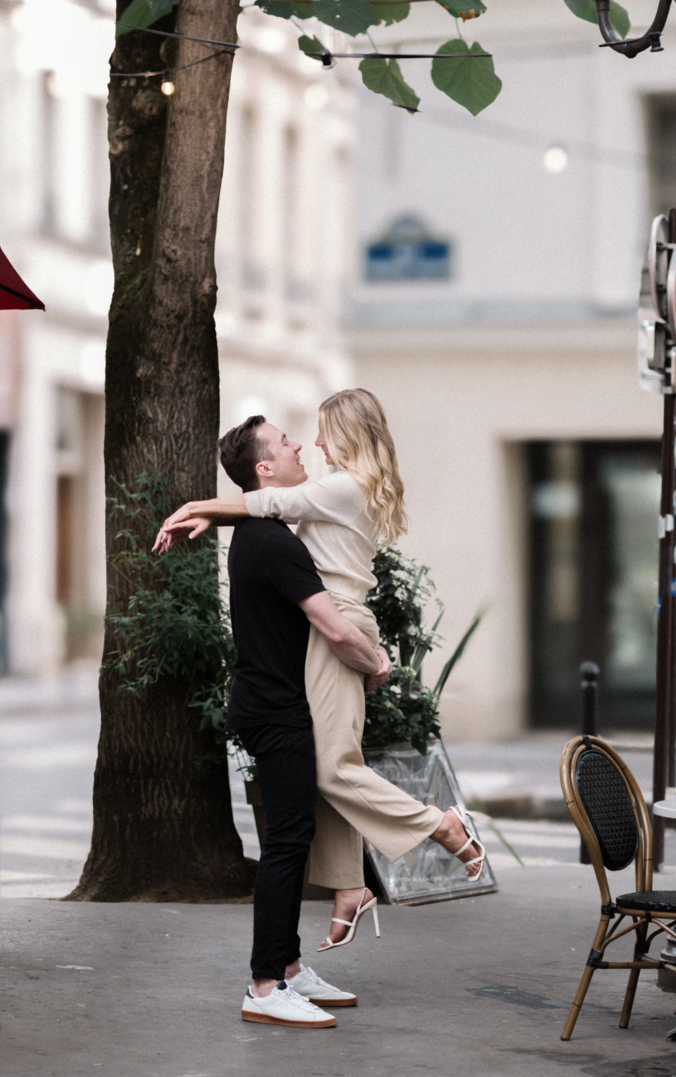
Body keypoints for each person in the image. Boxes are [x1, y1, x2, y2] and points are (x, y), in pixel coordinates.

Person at [156, 388, 485, 952]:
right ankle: (348, 887)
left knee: (334, 767)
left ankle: (441, 824)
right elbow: (269, 510)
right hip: (328, 626)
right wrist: (213, 515)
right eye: (299, 437)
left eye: (323, 432)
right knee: (323, 763)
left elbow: (266, 505)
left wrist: (197, 508)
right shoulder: (343, 490)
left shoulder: (340, 488)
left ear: (349, 434)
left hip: (339, 623)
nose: (313, 443)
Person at [217, 415, 392, 1029]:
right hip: (278, 708)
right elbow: (335, 625)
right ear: (265, 469)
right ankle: (265, 986)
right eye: (286, 443)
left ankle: (290, 970)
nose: (299, 446)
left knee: (292, 838)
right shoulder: (275, 542)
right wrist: (374, 663)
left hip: (270, 700)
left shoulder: (267, 532)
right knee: (286, 844)